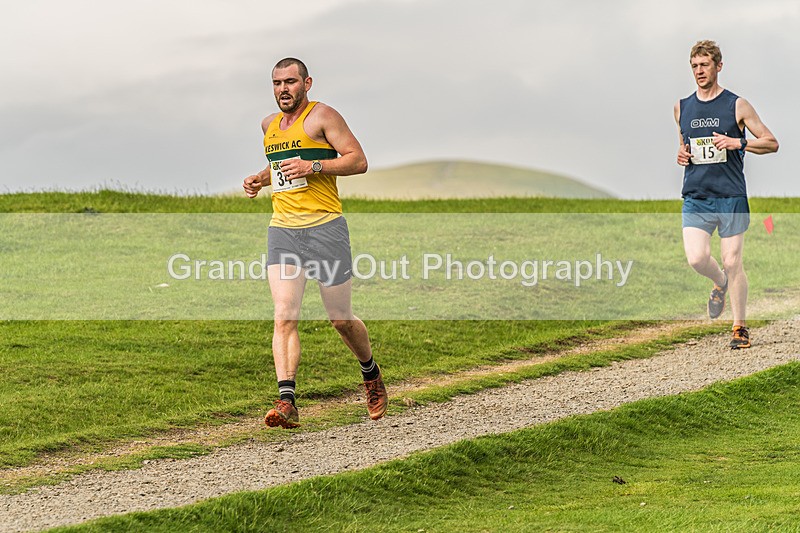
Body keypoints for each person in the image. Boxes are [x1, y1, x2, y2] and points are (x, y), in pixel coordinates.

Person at [243, 57, 387, 428]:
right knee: (284, 313)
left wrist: (314, 166)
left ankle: (370, 373)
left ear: (307, 83)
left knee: (340, 319)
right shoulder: (268, 125)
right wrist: (260, 179)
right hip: (283, 230)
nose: (283, 89)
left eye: (290, 82)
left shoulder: (323, 116)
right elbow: (281, 168)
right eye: (277, 83)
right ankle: (287, 401)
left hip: (325, 229)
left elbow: (358, 161)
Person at [674, 40, 779, 349]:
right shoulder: (681, 107)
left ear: (718, 66)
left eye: (704, 65)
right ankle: (719, 282)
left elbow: (771, 142)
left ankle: (739, 328)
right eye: (695, 66)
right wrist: (681, 154)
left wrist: (738, 143)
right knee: (697, 258)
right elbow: (684, 146)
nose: (699, 71)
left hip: (731, 196)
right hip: (696, 196)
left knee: (733, 261)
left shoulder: (737, 105)